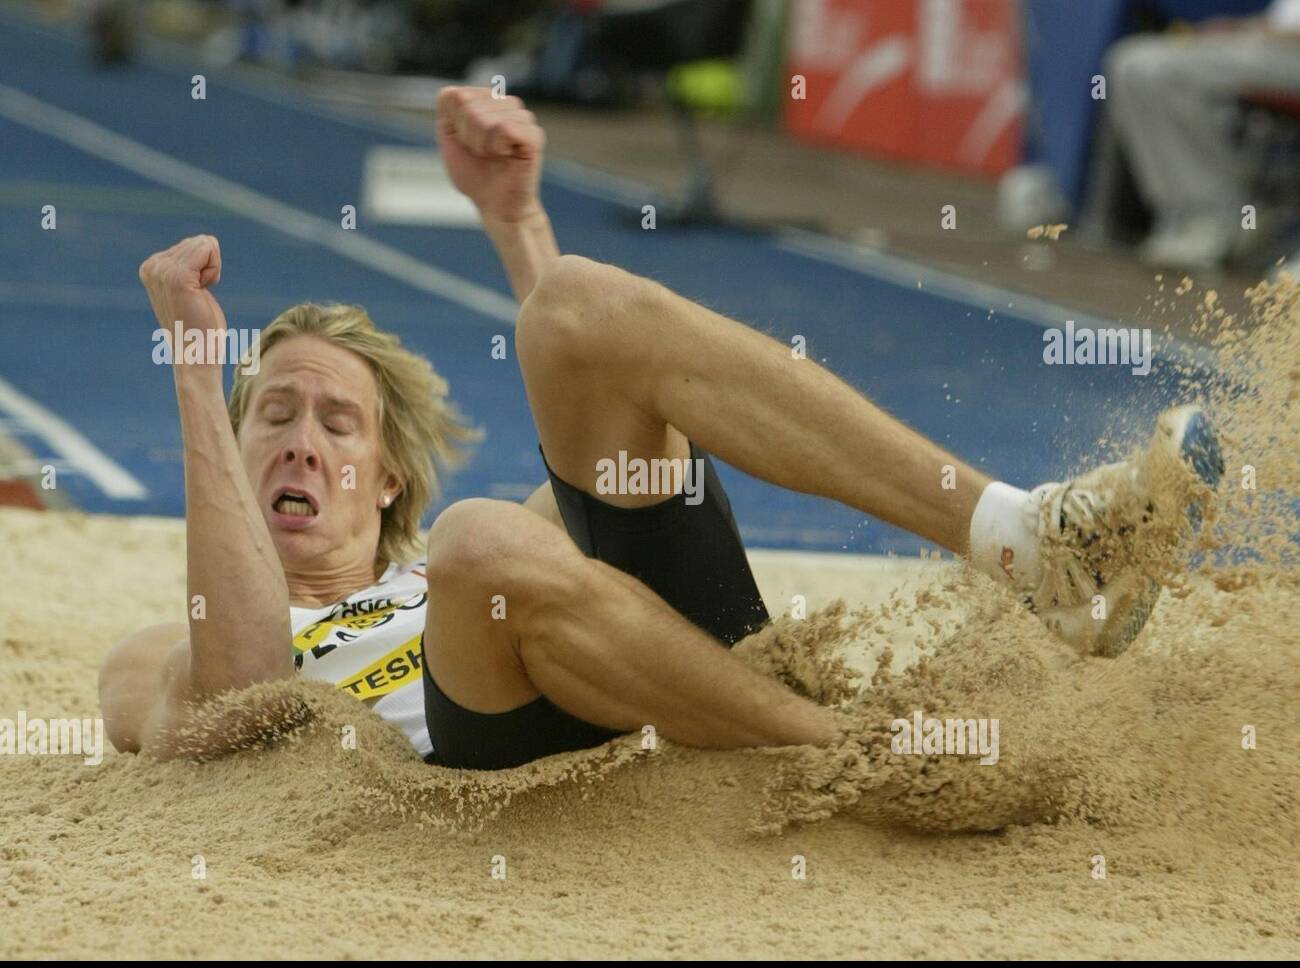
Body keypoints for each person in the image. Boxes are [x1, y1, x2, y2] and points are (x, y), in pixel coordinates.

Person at [97, 87, 1224, 770]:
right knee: (483, 552)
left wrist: (517, 223)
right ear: (226, 461)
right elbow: (233, 700)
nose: (300, 440)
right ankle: (845, 754)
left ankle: (1027, 539)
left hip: (653, 660)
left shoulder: (448, 561)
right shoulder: (157, 654)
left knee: (576, 307)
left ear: (388, 478)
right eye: (273, 417)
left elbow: (596, 457)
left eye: (337, 421)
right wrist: (199, 368)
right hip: (499, 736)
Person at [1106, 0, 1300, 269]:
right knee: (1133, 62)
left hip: (1289, 52)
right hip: (1270, 42)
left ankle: (1220, 218)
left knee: (1167, 71)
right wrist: (1245, 29)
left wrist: (1247, 32)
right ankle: (1189, 214)